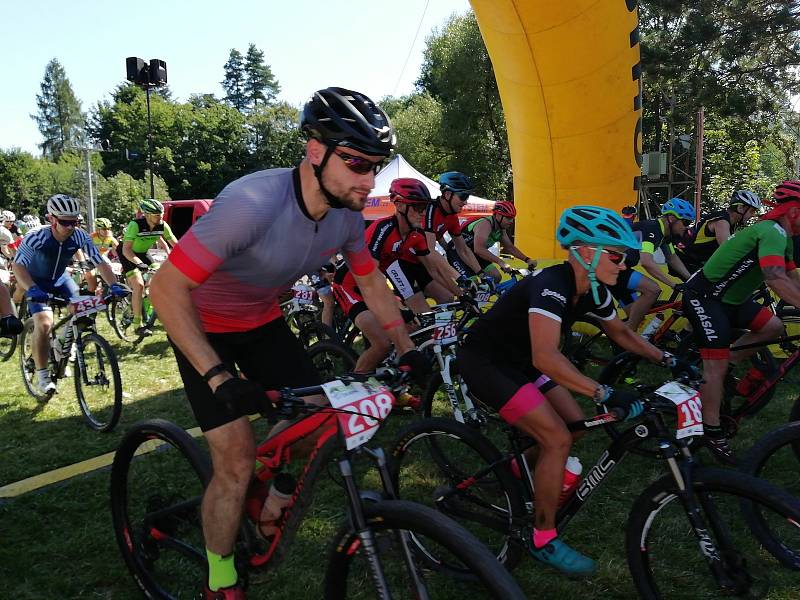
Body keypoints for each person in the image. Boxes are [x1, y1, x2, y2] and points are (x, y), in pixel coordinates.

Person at [149, 87, 430, 600]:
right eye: (358, 164)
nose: (369, 181)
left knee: (318, 421)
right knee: (234, 458)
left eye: (377, 166)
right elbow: (164, 287)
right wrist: (218, 377)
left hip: (260, 322)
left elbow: (371, 284)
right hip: (202, 325)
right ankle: (220, 579)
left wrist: (408, 349)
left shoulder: (346, 214)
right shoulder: (251, 204)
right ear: (315, 151)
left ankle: (263, 489)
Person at [457, 205, 681, 576]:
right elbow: (546, 357)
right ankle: (542, 538)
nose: (626, 265)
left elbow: (622, 333)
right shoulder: (552, 284)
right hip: (487, 363)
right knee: (557, 439)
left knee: (575, 426)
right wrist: (604, 393)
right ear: (585, 252)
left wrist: (668, 359)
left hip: (521, 362)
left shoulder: (593, 288)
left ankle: (512, 474)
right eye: (618, 255)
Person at [681, 180, 800, 464]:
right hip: (704, 296)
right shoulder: (771, 232)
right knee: (715, 364)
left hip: (730, 300)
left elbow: (793, 278)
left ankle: (726, 369)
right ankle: (710, 429)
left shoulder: (784, 238)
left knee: (773, 327)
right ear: (793, 211)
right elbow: (775, 278)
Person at [332, 177, 462, 373]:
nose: (422, 213)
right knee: (382, 344)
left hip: (373, 286)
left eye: (425, 207)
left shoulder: (415, 235)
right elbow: (370, 275)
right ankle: (354, 386)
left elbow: (434, 269)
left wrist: (461, 293)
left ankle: (394, 377)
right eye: (417, 207)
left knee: (412, 330)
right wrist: (397, 307)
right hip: (350, 285)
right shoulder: (383, 228)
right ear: (400, 205)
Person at [11, 195, 126, 394]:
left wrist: (114, 285)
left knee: (82, 312)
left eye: (75, 221)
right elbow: (18, 266)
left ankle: (61, 345)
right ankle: (43, 375)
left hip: (61, 279)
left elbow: (100, 262)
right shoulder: (37, 237)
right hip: (36, 282)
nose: (71, 226)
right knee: (45, 323)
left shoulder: (80, 236)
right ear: (52, 219)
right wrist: (31, 288)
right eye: (65, 222)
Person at [609, 197, 695, 331]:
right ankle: (629, 340)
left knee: (637, 315)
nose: (687, 227)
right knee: (653, 289)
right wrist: (673, 285)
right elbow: (647, 262)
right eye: (685, 222)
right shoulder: (652, 229)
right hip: (611, 267)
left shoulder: (665, 235)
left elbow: (672, 258)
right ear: (672, 218)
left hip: (619, 268)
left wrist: (691, 279)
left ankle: (620, 340)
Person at [118, 199, 178, 336]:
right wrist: (139, 263)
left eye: (161, 214)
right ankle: (137, 325)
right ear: (147, 215)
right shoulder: (136, 225)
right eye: (157, 215)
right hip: (128, 254)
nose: (160, 217)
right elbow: (126, 250)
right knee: (138, 285)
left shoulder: (162, 225)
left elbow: (176, 245)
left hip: (143, 253)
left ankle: (147, 294)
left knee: (158, 272)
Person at [422, 171, 484, 290]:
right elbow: (430, 250)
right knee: (448, 295)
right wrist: (458, 277)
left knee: (450, 297)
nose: (465, 202)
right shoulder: (430, 210)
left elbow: (463, 250)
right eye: (463, 196)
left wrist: (481, 273)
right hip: (408, 258)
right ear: (447, 195)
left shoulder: (452, 216)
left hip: (424, 258)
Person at [449, 200, 537, 282]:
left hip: (475, 254)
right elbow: (479, 249)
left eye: (513, 218)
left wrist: (527, 260)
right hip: (457, 253)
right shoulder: (485, 224)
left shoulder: (500, 229)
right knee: (473, 284)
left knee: (496, 277)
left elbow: (510, 248)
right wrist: (500, 262)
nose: (511, 221)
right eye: (508, 218)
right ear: (498, 215)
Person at [676, 190, 761, 273]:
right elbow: (728, 250)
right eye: (752, 211)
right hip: (683, 261)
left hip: (694, 262)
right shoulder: (722, 222)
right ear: (740, 208)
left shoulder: (732, 223)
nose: (753, 215)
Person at [84, 218, 119, 293]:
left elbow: (116, 249)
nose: (107, 231)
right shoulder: (91, 237)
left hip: (102, 257)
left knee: (112, 270)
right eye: (104, 229)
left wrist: (118, 257)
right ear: (98, 229)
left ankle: (110, 288)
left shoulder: (110, 237)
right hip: (90, 258)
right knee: (91, 275)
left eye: (108, 229)